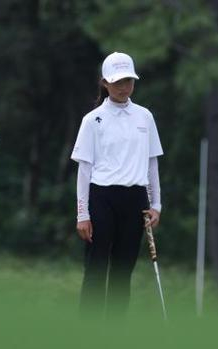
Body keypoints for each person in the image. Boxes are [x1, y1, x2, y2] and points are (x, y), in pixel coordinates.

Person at [70, 51, 164, 316]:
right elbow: (84, 170)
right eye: (118, 81)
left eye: (128, 81)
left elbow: (151, 164)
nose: (124, 87)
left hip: (136, 199)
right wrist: (82, 214)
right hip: (102, 198)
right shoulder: (93, 120)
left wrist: (156, 204)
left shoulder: (145, 116)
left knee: (123, 271)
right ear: (105, 82)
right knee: (96, 268)